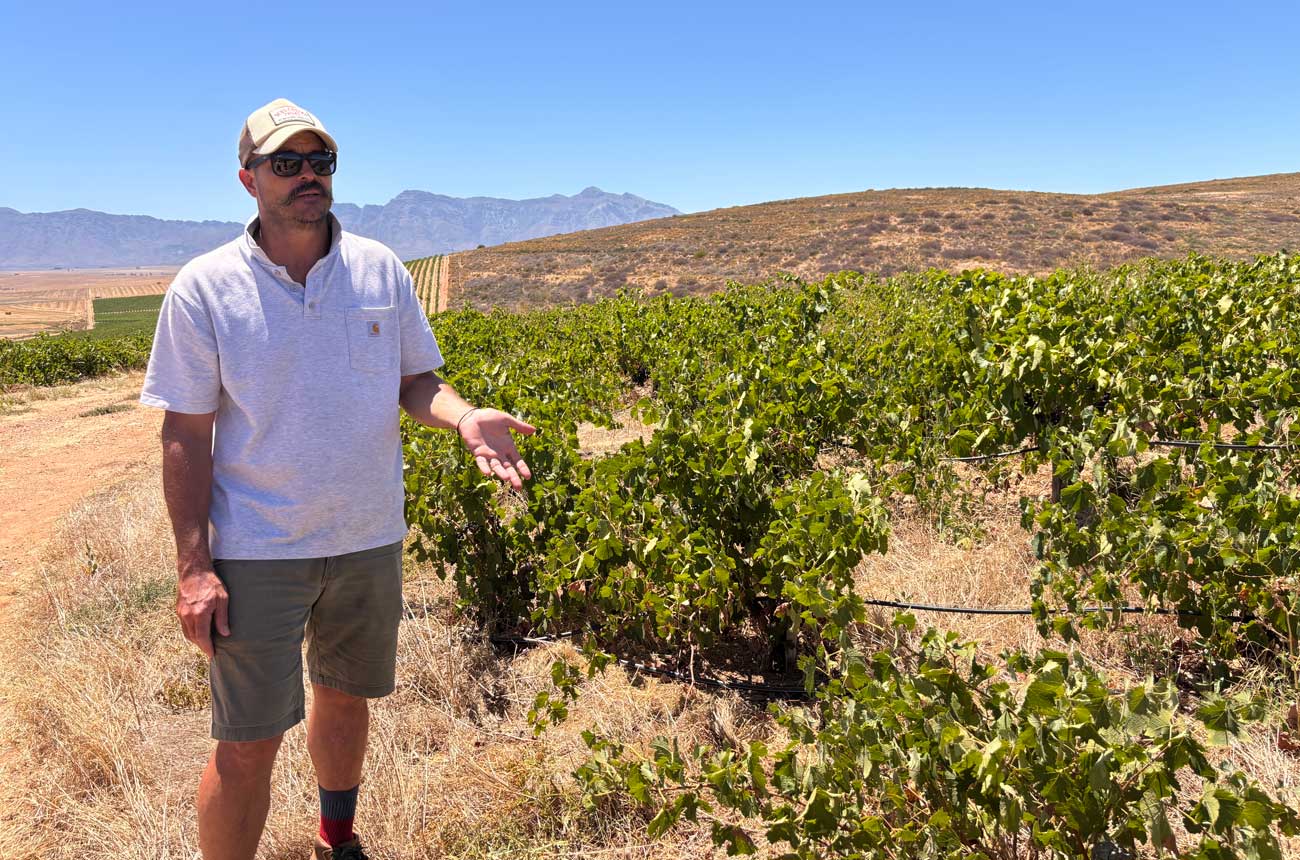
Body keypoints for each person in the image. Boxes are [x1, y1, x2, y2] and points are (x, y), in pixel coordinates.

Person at [139, 98, 535, 860]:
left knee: (347, 699)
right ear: (248, 179)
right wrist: (194, 567)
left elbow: (414, 380)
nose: (307, 177)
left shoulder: (379, 267)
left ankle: (336, 838)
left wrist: (460, 416)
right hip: (257, 549)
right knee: (248, 740)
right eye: (286, 164)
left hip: (366, 536)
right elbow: (184, 434)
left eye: (320, 162)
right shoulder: (204, 286)